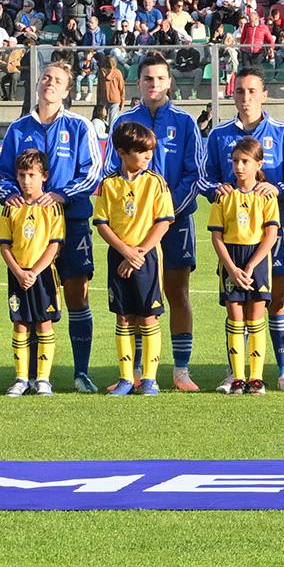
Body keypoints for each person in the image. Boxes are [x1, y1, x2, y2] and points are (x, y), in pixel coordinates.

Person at [203, 65, 284, 392]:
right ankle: (235, 371)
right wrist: (217, 189)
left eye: (253, 91)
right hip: (234, 236)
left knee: (276, 300)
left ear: (264, 95)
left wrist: (278, 189)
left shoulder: (283, 133)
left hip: (272, 233)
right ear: (233, 95)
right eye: (240, 91)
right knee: (235, 303)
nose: (246, 97)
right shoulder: (219, 135)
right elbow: (203, 177)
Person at [0, 60, 104, 391]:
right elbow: (3, 175)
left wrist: (60, 195)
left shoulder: (80, 127)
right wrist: (11, 196)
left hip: (70, 222)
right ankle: (29, 376)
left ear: (67, 89)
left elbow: (92, 172)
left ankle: (81, 371)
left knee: (77, 294)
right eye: (46, 77)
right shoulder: (19, 129)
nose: (50, 83)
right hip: (27, 231)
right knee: (30, 296)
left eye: (58, 80)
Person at [118, 56, 207, 391]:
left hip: (177, 221)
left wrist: (167, 213)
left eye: (159, 78)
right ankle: (138, 371)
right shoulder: (124, 121)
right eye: (147, 79)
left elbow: (193, 173)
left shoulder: (184, 123)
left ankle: (181, 370)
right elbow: (114, 174)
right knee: (138, 296)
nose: (153, 84)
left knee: (177, 291)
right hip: (134, 228)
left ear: (169, 82)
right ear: (138, 83)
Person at [94, 118, 175, 394]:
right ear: (122, 152)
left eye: (150, 152)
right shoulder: (109, 185)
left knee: (149, 317)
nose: (147, 156)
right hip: (119, 256)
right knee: (124, 317)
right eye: (141, 152)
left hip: (147, 258)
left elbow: (163, 222)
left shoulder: (156, 183)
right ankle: (127, 378)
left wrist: (140, 252)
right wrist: (126, 251)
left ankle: (150, 379)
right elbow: (102, 223)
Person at [205, 136, 280, 396]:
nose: (239, 166)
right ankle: (237, 377)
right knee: (235, 318)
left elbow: (270, 235)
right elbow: (216, 236)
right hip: (231, 260)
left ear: (258, 164)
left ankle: (256, 378)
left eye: (245, 161)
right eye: (235, 161)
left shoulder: (266, 196)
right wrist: (232, 268)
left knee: (256, 317)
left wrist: (250, 267)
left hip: (256, 260)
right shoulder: (223, 196)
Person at [0, 149, 65, 396]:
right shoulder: (11, 207)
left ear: (44, 176)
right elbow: (4, 244)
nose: (26, 180)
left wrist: (34, 271)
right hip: (17, 275)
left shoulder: (52, 207)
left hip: (43, 276)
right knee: (21, 323)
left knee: (44, 324)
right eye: (22, 175)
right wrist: (18, 271)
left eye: (32, 175)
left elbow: (54, 244)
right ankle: (22, 378)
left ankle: (43, 379)